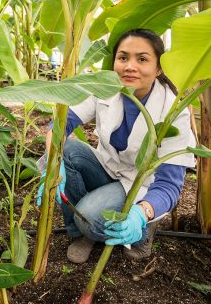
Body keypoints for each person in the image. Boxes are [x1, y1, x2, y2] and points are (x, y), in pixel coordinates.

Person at [38, 28, 196, 264]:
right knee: (67, 151)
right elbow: (59, 126)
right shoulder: (104, 88)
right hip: (107, 169)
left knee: (90, 216)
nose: (129, 66)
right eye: (123, 58)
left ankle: (142, 230)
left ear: (159, 68)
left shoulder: (173, 112)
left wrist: (142, 213)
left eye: (142, 59)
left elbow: (169, 185)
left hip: (140, 185)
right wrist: (53, 166)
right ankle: (82, 233)